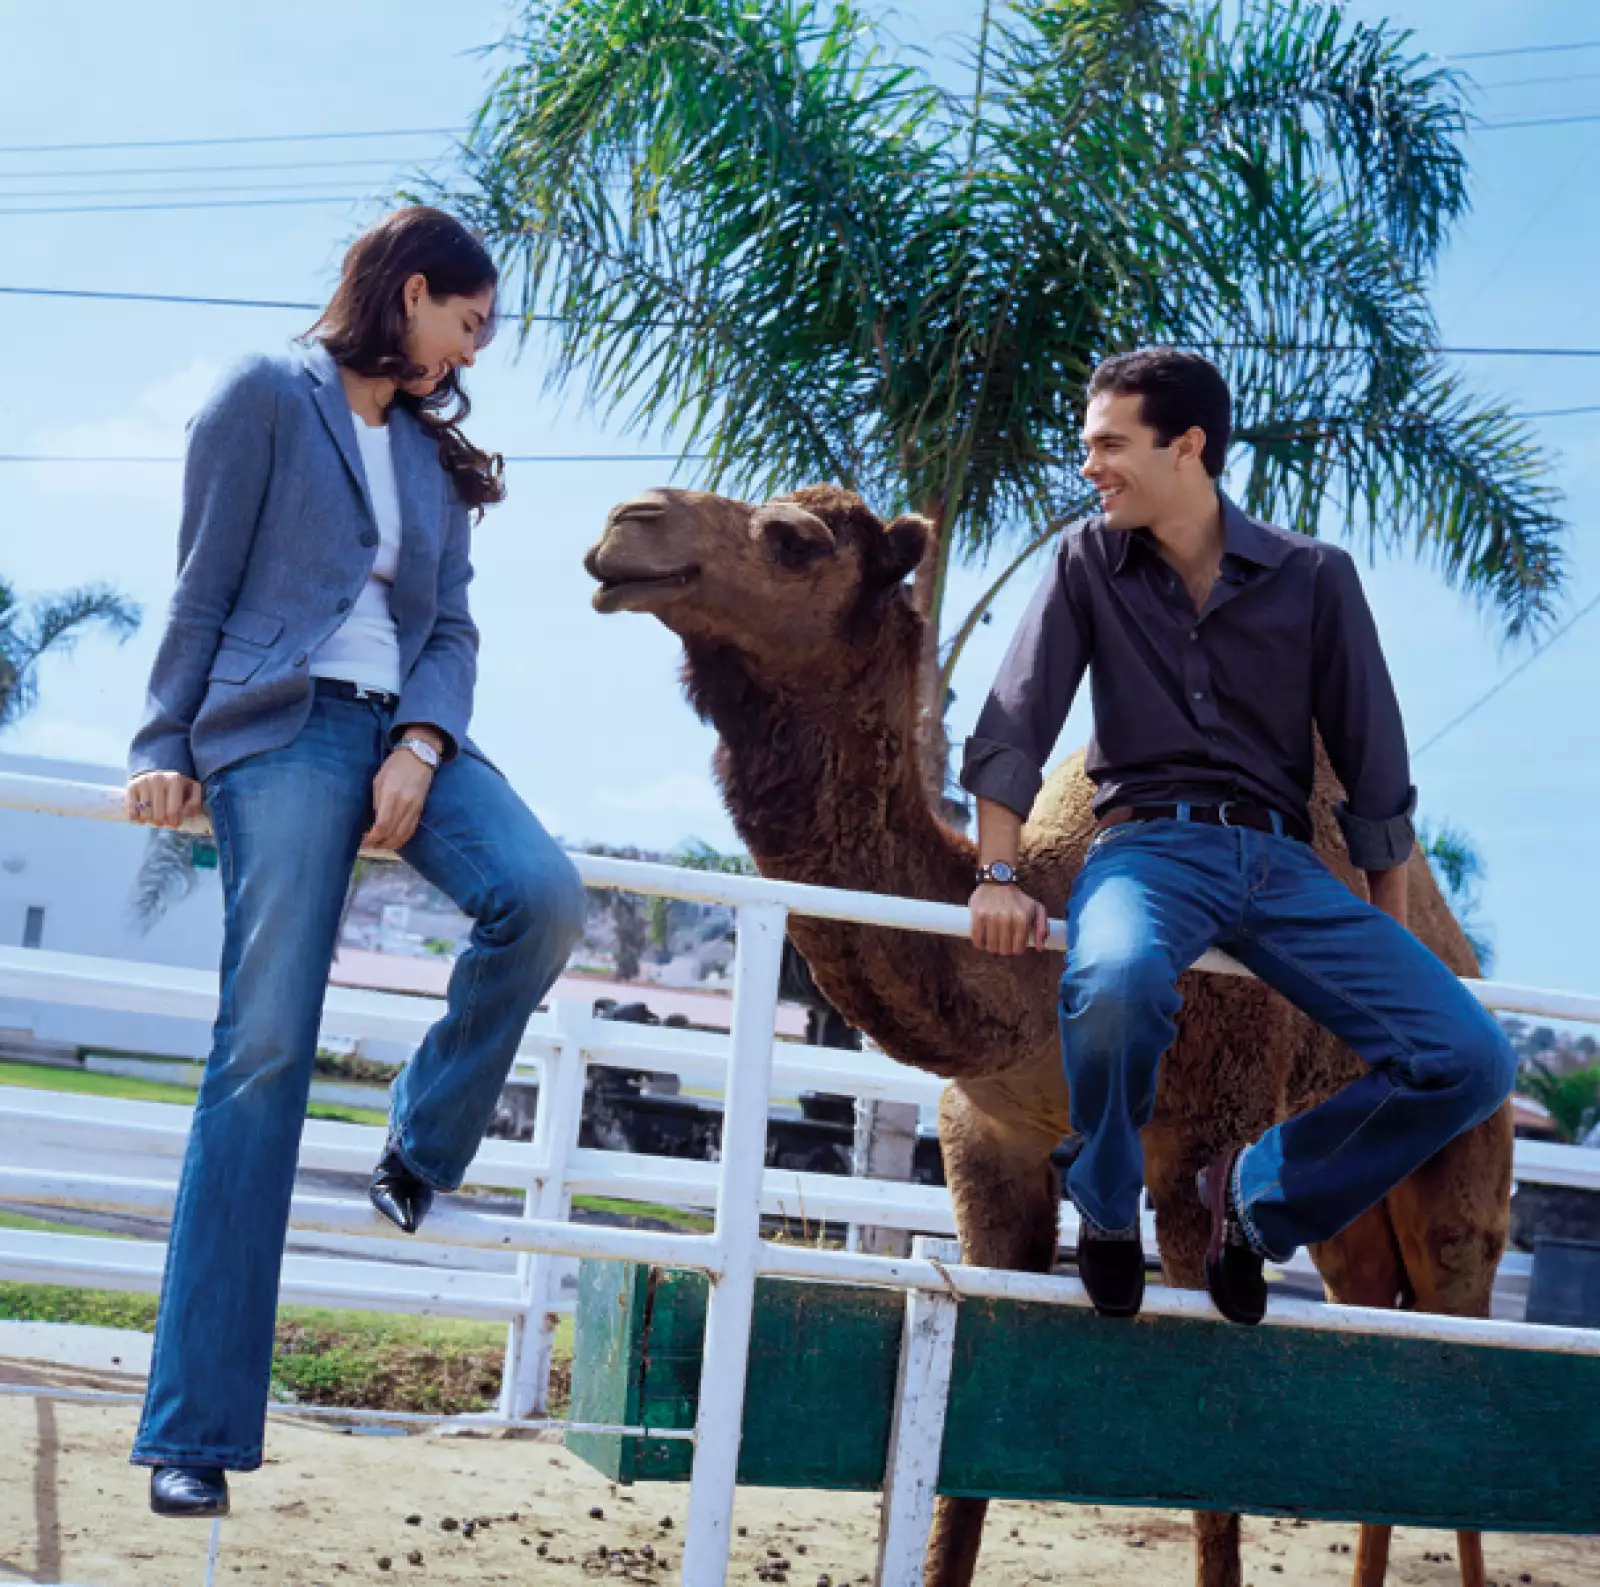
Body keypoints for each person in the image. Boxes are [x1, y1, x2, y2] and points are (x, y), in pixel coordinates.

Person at [123, 206, 585, 1517]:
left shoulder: (434, 464)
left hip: (406, 737)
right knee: (265, 1048)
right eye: (468, 323)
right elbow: (202, 583)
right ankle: (195, 1433)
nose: (470, 353)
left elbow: (452, 630)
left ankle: (420, 1144)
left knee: (543, 898)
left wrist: (423, 744)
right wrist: (162, 745)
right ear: (412, 289)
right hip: (280, 730)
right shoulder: (264, 394)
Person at [961, 347, 1515, 1326]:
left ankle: (1258, 1199)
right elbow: (1014, 724)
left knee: (1470, 1058)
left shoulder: (1315, 577)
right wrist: (997, 872)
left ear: (1186, 447)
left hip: (1283, 869)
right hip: (1143, 854)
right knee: (1114, 983)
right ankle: (1104, 1199)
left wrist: (1386, 927)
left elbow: (1374, 764)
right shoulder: (1086, 562)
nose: (1089, 467)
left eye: (1109, 445)